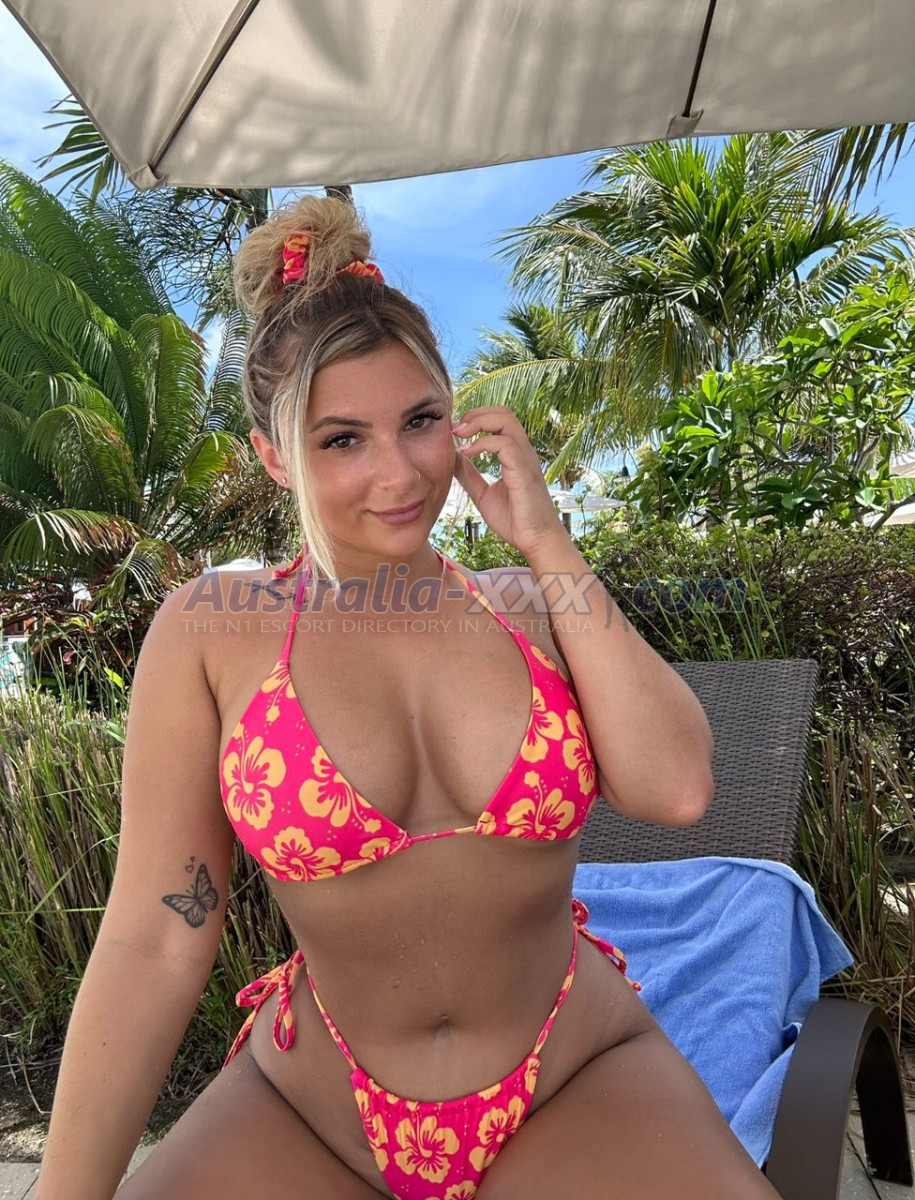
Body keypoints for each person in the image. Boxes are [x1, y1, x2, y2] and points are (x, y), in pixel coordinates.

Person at [36, 195, 782, 1200]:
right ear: (273, 455)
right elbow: (154, 937)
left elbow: (677, 788)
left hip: (574, 1075)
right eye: (342, 439)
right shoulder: (214, 630)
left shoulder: (534, 605)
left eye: (420, 422)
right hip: (313, 1111)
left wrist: (547, 543)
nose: (397, 474)